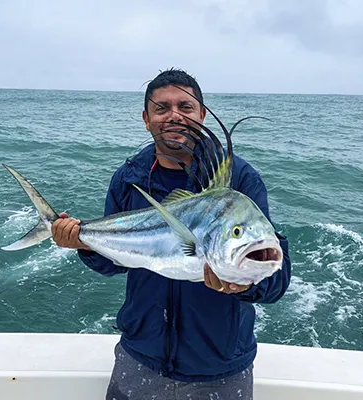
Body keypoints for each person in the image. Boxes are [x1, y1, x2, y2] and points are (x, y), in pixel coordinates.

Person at [51, 68, 291, 400]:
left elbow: (275, 278)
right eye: (162, 108)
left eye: (185, 107)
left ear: (202, 115)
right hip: (140, 356)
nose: (174, 116)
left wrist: (245, 284)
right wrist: (82, 243)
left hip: (219, 366)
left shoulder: (241, 180)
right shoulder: (128, 177)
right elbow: (116, 264)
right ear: (146, 118)